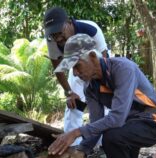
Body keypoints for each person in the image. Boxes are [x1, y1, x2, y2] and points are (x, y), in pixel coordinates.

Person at [44, 7, 108, 145]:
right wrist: (69, 92)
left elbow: (105, 59)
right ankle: (71, 145)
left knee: (105, 105)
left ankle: (105, 145)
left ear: (68, 22)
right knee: (73, 104)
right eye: (53, 35)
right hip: (76, 70)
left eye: (59, 33)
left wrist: (99, 85)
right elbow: (58, 69)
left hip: (98, 68)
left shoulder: (91, 29)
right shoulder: (52, 40)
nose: (58, 38)